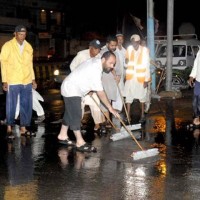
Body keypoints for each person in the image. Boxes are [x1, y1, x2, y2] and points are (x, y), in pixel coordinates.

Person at [57, 51, 119, 152]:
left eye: (113, 64)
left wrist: (90, 88)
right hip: (72, 90)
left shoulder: (96, 61)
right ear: (103, 60)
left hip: (69, 86)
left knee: (69, 113)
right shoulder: (96, 69)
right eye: (110, 63)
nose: (112, 66)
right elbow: (101, 93)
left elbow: (85, 74)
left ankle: (62, 135)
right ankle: (80, 142)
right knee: (76, 115)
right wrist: (110, 108)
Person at [0, 25, 37, 138]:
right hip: (13, 80)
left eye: (24, 34)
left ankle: (23, 128)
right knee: (11, 104)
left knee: (26, 105)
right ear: (15, 34)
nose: (22, 36)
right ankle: (9, 127)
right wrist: (5, 81)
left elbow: (30, 64)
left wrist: (33, 79)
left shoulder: (28, 47)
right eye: (20, 34)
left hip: (26, 80)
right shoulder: (8, 46)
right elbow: (3, 63)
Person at [70, 39, 104, 131]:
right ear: (90, 48)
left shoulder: (99, 57)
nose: (98, 51)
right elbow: (72, 66)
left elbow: (99, 73)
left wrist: (93, 89)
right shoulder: (81, 55)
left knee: (96, 104)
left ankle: (97, 124)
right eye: (96, 49)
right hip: (80, 86)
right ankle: (77, 123)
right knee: (79, 106)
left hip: (92, 86)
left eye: (99, 49)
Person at [124, 34, 151, 123]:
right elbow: (126, 64)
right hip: (131, 78)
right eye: (132, 42)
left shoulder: (144, 51)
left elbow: (147, 66)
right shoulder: (129, 49)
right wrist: (126, 62)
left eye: (135, 42)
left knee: (142, 97)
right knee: (128, 97)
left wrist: (146, 80)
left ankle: (142, 115)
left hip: (140, 78)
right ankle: (128, 116)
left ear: (139, 42)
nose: (133, 44)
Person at [100, 36, 121, 127]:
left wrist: (118, 77)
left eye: (115, 45)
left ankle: (108, 119)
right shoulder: (101, 53)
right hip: (103, 79)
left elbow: (118, 67)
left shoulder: (116, 53)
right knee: (105, 99)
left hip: (112, 81)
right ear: (107, 44)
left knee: (110, 99)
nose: (113, 47)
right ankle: (107, 120)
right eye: (112, 45)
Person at [112, 32, 126, 113]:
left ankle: (119, 108)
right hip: (114, 73)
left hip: (122, 75)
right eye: (118, 39)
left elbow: (126, 63)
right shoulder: (113, 49)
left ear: (123, 40)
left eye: (121, 39)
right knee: (115, 90)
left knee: (121, 90)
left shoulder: (125, 50)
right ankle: (114, 108)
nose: (120, 41)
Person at [188, 49, 200, 126]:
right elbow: (196, 64)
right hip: (198, 80)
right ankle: (196, 115)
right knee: (195, 101)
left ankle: (197, 117)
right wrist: (192, 76)